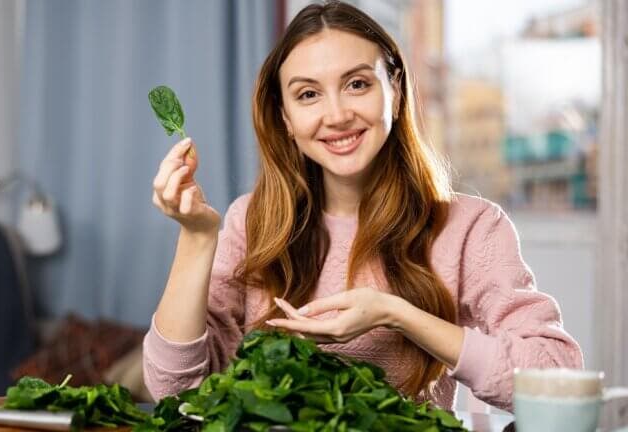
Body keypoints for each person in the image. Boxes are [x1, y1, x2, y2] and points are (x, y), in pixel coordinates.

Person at [143, 0, 582, 411]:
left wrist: (398, 315)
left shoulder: (470, 228)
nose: (336, 115)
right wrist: (197, 237)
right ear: (285, 118)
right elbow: (174, 390)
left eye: (357, 84)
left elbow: (556, 378)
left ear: (395, 90)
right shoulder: (252, 222)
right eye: (308, 94)